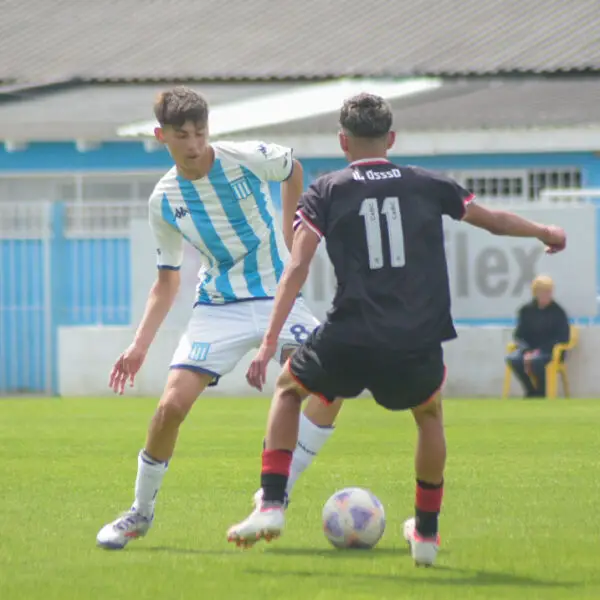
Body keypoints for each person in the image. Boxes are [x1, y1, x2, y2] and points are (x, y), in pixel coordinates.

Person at [226, 93, 567, 566]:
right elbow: (492, 221)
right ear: (391, 138)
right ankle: (425, 535)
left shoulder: (326, 189)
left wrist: (269, 342)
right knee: (428, 416)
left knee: (288, 389)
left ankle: (270, 504)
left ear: (343, 141)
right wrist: (544, 231)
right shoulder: (429, 184)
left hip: (350, 333)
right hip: (416, 338)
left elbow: (297, 265)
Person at [96, 86, 343, 550]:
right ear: (161, 136)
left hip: (276, 294)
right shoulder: (164, 200)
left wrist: (291, 233)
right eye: (182, 135)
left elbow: (292, 168)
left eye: (200, 132)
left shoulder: (244, 158)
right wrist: (139, 346)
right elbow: (166, 281)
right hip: (218, 307)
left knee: (329, 384)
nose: (194, 144)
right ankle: (140, 513)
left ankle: (278, 489)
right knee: (169, 408)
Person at [506, 275, 570, 397]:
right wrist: (526, 351)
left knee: (537, 361)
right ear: (535, 292)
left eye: (549, 292)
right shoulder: (526, 310)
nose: (546, 295)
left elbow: (562, 337)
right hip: (528, 351)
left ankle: (541, 391)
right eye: (543, 292)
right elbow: (519, 336)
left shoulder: (558, 312)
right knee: (514, 359)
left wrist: (538, 351)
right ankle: (531, 391)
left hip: (549, 351)